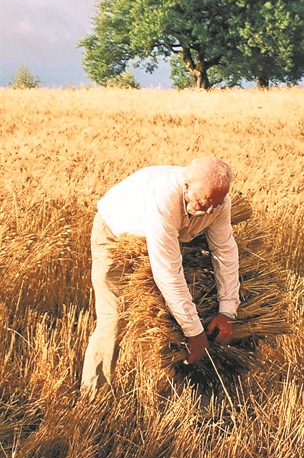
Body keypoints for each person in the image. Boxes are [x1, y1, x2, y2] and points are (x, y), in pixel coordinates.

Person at [81, 157, 240, 399]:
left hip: (171, 235)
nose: (208, 212)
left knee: (182, 313)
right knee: (113, 320)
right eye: (203, 203)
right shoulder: (164, 198)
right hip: (115, 236)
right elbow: (168, 272)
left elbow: (224, 252)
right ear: (186, 187)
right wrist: (195, 334)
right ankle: (93, 398)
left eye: (215, 205)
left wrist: (228, 310)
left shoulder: (219, 202)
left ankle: (180, 394)